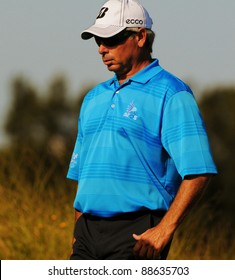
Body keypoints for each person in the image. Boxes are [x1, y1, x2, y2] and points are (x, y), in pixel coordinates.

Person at [67, 0, 217, 260]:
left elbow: (199, 171)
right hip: (87, 235)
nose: (102, 49)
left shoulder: (172, 93)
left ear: (140, 37)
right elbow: (83, 175)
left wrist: (164, 229)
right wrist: (78, 230)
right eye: (97, 41)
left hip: (137, 235)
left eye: (111, 39)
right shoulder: (93, 98)